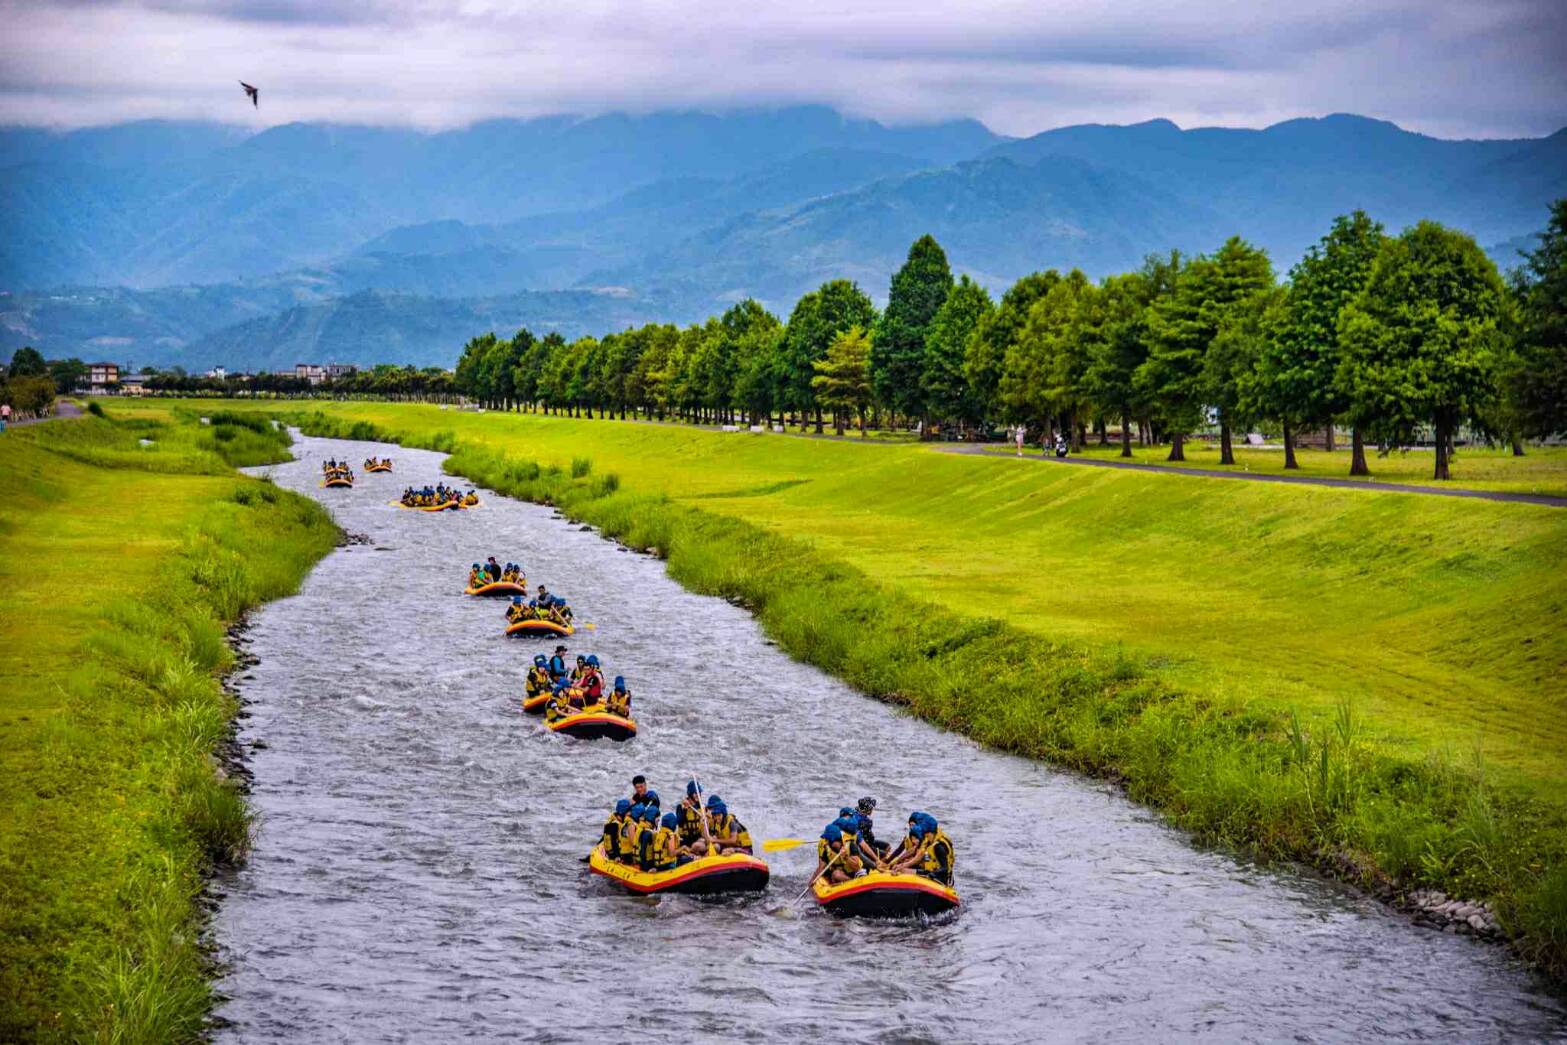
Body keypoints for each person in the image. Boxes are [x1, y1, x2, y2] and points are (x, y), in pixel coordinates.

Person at [676, 781, 706, 852]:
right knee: (697, 845)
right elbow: (680, 822)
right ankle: (690, 852)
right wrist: (685, 809)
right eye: (695, 793)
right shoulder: (681, 807)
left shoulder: (701, 807)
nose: (698, 795)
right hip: (685, 839)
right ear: (690, 794)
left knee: (703, 842)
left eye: (699, 793)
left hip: (697, 837)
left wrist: (707, 817)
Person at [635, 805, 661, 870]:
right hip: (646, 864)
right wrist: (647, 868)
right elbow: (642, 852)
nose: (659, 821)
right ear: (652, 818)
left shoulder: (643, 828)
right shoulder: (647, 833)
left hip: (644, 861)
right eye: (657, 819)